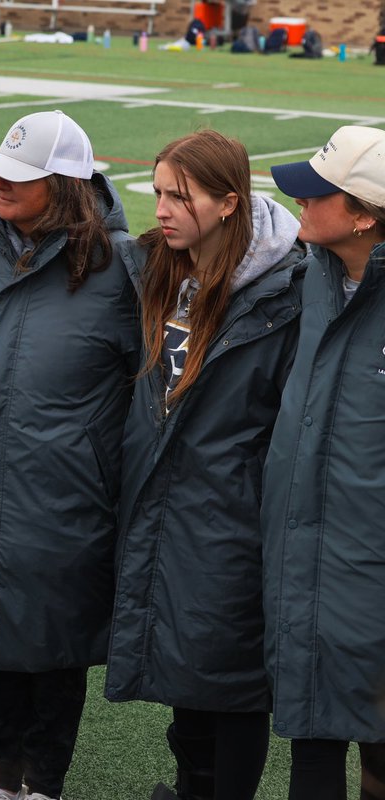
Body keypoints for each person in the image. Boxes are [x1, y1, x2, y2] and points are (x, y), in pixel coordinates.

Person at [0, 110, 140, 800]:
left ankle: (44, 785)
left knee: (51, 648)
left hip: (62, 494)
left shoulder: (122, 264)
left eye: (22, 176)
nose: (1, 185)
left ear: (67, 184)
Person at [106, 129, 306, 800]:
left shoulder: (285, 289)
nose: (161, 208)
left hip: (229, 515)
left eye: (179, 197)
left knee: (230, 682)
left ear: (228, 203)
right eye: (158, 192)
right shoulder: (160, 264)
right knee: (184, 673)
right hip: (163, 505)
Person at [265, 125, 385, 800]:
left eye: (320, 194)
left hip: (369, 571)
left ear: (364, 215)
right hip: (305, 561)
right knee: (310, 733)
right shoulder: (309, 281)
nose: (299, 204)